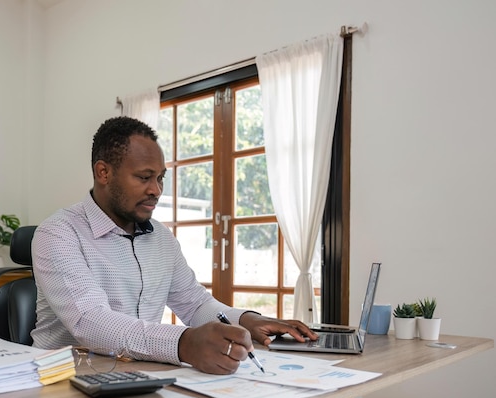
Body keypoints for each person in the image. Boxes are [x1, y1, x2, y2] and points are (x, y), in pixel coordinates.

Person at [31, 116, 318, 375]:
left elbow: (195, 304)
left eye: (160, 178)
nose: (156, 190)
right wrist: (184, 343)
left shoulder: (160, 237)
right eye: (144, 177)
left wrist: (247, 321)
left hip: (137, 377)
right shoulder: (58, 233)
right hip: (66, 381)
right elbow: (91, 322)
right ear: (103, 173)